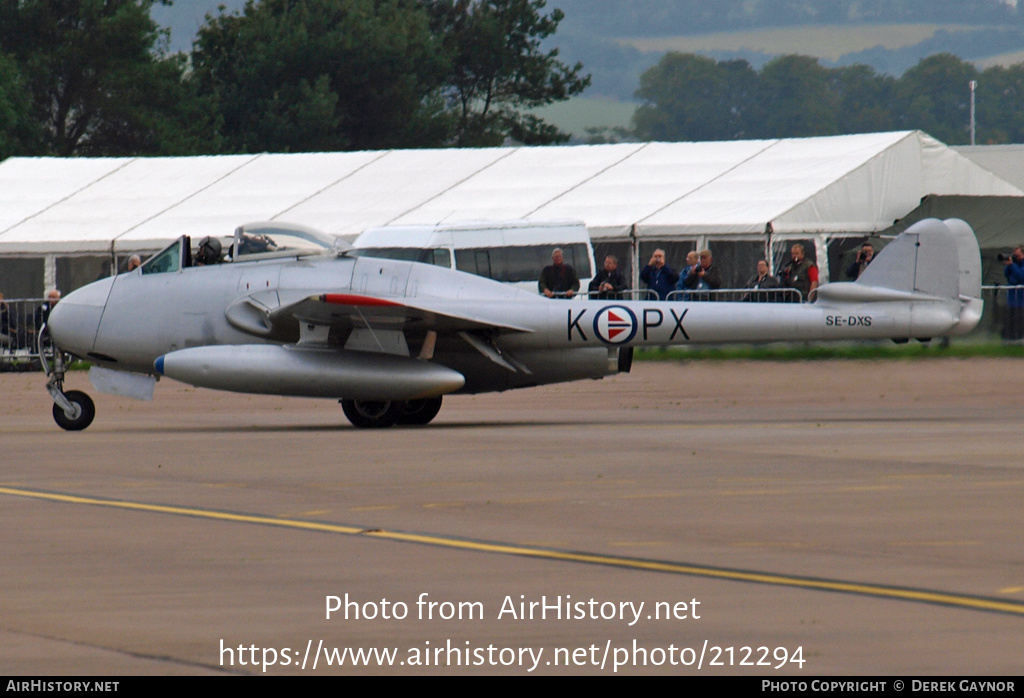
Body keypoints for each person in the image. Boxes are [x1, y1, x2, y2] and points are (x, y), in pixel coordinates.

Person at [1002, 245, 1024, 340]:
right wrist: (1009, 264)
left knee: (1020, 318)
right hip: (1012, 297)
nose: (1016, 258)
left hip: (1021, 298)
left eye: (1018, 255)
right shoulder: (1014, 264)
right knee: (1011, 317)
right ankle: (1010, 337)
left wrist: (1012, 265)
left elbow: (1021, 276)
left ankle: (1020, 337)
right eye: (1015, 255)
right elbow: (1006, 274)